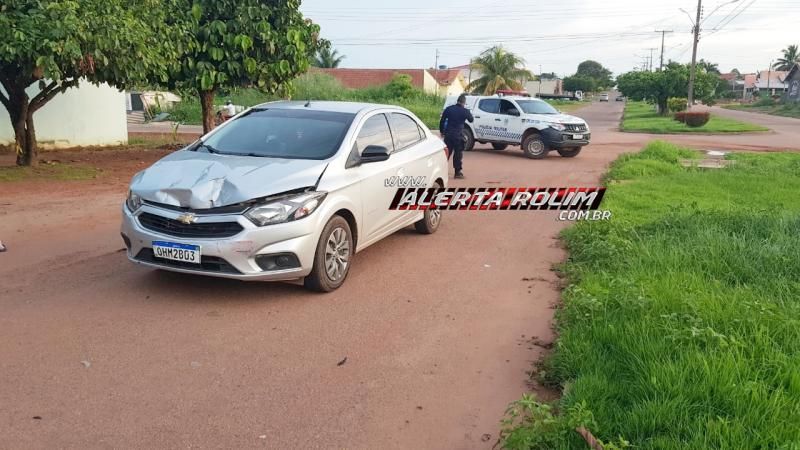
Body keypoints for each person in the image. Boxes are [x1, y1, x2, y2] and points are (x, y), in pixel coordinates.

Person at [439, 94, 474, 179]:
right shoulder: (465, 111)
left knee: (447, 154)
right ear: (464, 102)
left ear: (457, 101)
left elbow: (442, 121)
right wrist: (468, 112)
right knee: (458, 154)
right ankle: (457, 173)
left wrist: (442, 131)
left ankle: (440, 171)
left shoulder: (449, 109)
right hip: (458, 136)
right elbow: (471, 120)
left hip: (448, 135)